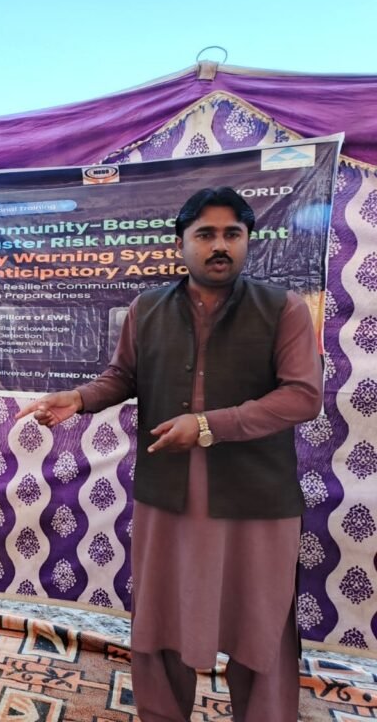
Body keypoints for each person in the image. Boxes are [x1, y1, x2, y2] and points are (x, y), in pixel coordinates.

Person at [16, 187, 323, 721]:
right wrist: (80, 398)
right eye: (205, 234)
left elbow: (303, 396)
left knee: (262, 620)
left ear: (249, 241)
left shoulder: (284, 309)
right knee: (160, 617)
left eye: (232, 234)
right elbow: (123, 376)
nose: (219, 246)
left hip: (257, 496)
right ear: (180, 243)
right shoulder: (147, 308)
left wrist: (208, 426)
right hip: (169, 492)